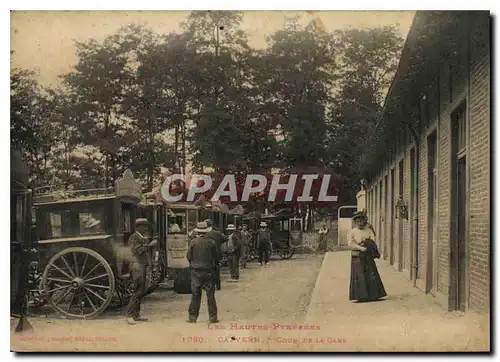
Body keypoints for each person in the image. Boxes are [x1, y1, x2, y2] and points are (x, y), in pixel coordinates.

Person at [124, 218, 158, 325]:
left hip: (141, 266)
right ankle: (129, 315)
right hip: (137, 266)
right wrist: (150, 245)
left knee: (141, 291)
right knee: (137, 290)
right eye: (144, 226)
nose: (146, 228)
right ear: (139, 227)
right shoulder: (134, 237)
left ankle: (136, 314)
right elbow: (137, 251)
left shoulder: (140, 237)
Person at [348, 211, 386, 303]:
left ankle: (373, 295)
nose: (360, 223)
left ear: (364, 221)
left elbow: (373, 239)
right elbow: (350, 244)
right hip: (357, 256)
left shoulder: (368, 230)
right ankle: (361, 296)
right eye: (357, 221)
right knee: (359, 275)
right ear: (355, 222)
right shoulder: (352, 232)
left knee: (371, 274)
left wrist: (368, 243)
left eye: (361, 220)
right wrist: (360, 247)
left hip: (368, 255)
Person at [186, 221, 219, 324]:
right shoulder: (212, 242)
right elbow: (216, 257)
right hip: (208, 270)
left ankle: (193, 317)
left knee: (195, 294)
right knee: (210, 294)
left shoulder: (193, 242)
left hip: (196, 271)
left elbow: (188, 257)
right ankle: (213, 317)